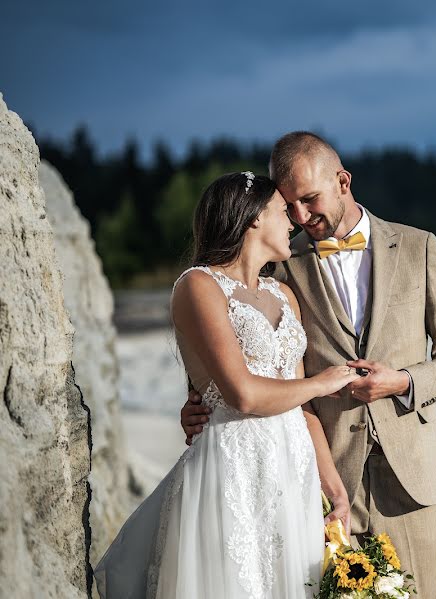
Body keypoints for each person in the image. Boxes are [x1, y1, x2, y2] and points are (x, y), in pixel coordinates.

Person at [181, 132, 436, 598]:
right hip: (322, 482)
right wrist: (196, 400)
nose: (300, 217)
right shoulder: (280, 268)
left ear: (343, 181)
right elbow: (232, 342)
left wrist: (402, 381)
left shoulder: (420, 248)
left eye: (310, 199)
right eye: (289, 206)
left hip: (412, 481)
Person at [96, 172, 360, 598]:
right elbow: (243, 394)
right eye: (281, 210)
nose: (292, 221)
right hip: (231, 466)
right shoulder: (199, 285)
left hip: (293, 470)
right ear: (253, 218)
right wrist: (321, 382)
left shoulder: (285, 295)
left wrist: (331, 486)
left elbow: (301, 409)